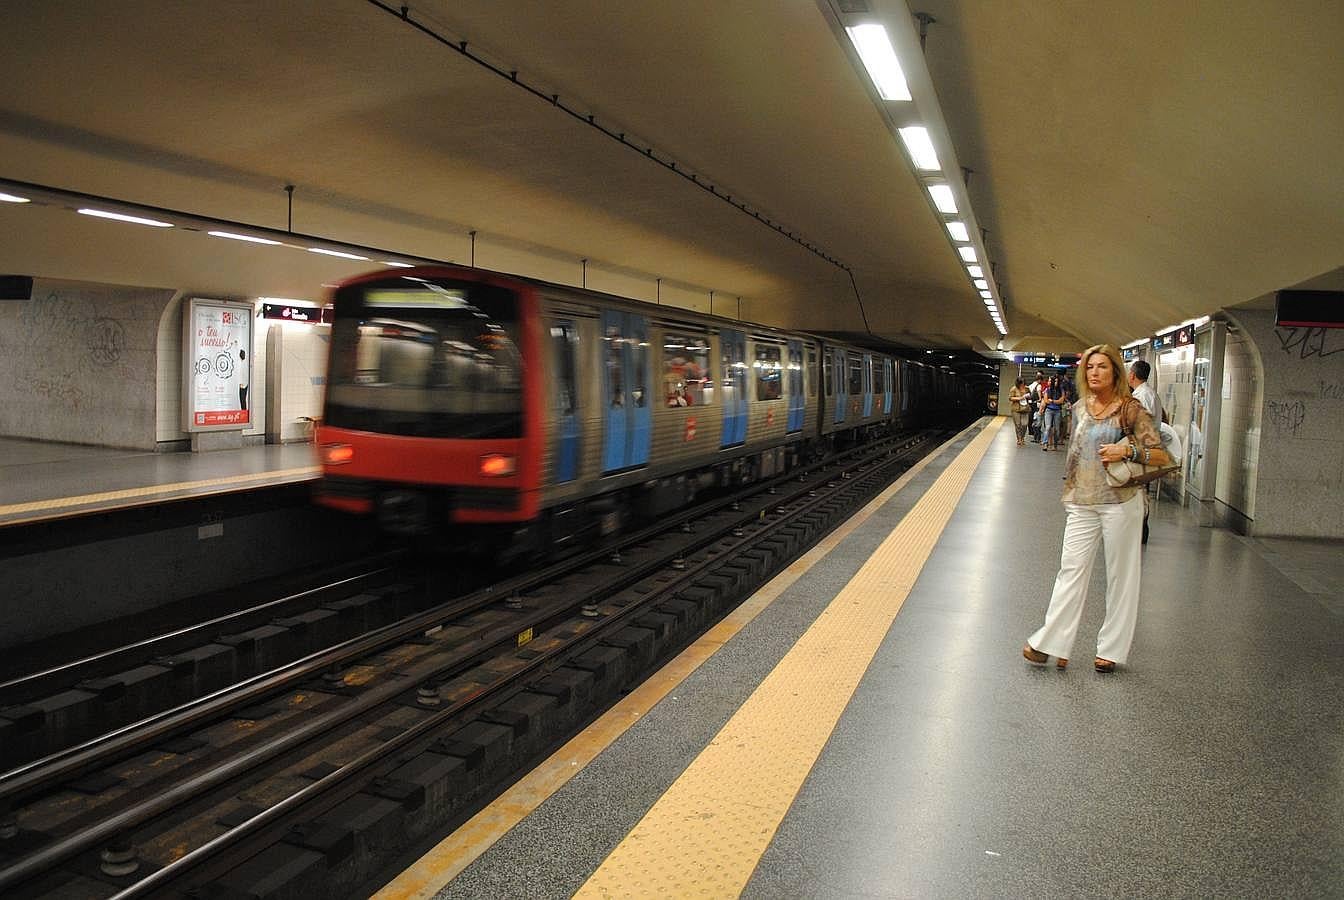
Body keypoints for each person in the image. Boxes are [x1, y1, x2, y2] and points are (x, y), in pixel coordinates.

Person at [1022, 343, 1171, 674]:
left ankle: (1111, 650)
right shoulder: (1079, 408)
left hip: (1120, 502)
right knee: (1070, 571)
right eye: (1090, 367)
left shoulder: (1130, 409)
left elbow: (1159, 454)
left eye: (1102, 367)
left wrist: (1127, 450)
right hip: (1082, 502)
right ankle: (1052, 643)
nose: (1095, 373)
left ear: (1115, 371)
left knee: (1121, 576)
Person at [1127, 360, 1163, 543]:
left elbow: (1142, 424)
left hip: (1142, 449)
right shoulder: (1149, 394)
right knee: (1138, 488)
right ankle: (1138, 528)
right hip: (1143, 449)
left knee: (1138, 489)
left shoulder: (1143, 396)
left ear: (1133, 375)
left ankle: (1140, 529)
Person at [1040, 375, 1065, 451]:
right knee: (1047, 427)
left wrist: (1053, 401)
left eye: (1056, 381)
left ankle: (1055, 444)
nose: (1055, 382)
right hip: (1049, 410)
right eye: (1054, 381)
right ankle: (1045, 444)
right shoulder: (1048, 390)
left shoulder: (1061, 390)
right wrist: (1053, 401)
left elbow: (1061, 400)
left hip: (1057, 411)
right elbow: (1046, 400)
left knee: (1057, 429)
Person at [1008, 377, 1031, 445]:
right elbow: (1010, 398)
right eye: (1021, 384)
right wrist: (1019, 398)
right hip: (1016, 409)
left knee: (1025, 424)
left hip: (1025, 408)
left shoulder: (1027, 388)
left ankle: (1022, 437)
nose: (1022, 385)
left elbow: (1030, 396)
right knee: (1018, 425)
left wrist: (1028, 396)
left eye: (1023, 383)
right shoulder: (1013, 389)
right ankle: (1019, 439)